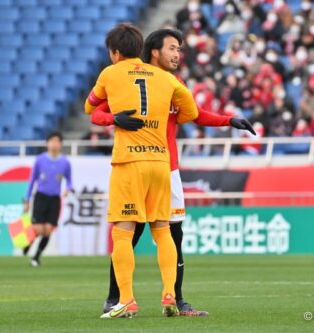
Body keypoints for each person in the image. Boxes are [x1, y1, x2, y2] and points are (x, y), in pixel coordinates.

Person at [90, 28, 255, 316]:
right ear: (154, 51)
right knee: (134, 232)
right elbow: (97, 112)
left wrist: (229, 120)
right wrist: (113, 119)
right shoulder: (130, 80)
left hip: (168, 168)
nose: (177, 54)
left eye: (179, 49)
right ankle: (114, 295)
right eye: (172, 48)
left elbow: (197, 113)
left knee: (167, 234)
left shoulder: (169, 81)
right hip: (151, 164)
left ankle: (176, 300)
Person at [84, 23, 199, 319]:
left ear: (115, 52)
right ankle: (169, 295)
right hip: (161, 163)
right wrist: (164, 120)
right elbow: (192, 113)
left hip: (129, 162)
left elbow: (89, 108)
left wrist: (114, 119)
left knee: (123, 233)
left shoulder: (110, 73)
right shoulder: (165, 78)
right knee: (163, 232)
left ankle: (126, 300)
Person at [24, 131, 72, 267]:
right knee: (38, 229)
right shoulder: (40, 160)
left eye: (57, 141)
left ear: (61, 144)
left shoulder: (65, 162)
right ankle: (29, 242)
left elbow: (69, 180)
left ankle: (36, 257)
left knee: (48, 229)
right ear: (47, 143)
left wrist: (68, 188)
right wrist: (27, 199)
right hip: (41, 197)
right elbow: (32, 179)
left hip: (54, 199)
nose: (54, 144)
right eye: (52, 141)